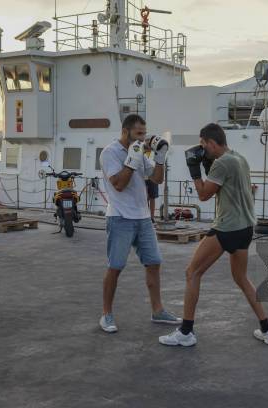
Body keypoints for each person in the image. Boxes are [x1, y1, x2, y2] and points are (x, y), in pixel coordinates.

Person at [159, 123, 268, 346]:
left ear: (212, 143)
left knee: (192, 273)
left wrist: (195, 170)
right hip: (245, 228)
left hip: (227, 227)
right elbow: (225, 187)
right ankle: (267, 329)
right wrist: (207, 165)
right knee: (241, 278)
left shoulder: (221, 163)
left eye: (204, 145)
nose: (202, 149)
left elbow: (203, 195)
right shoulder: (239, 158)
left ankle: (186, 332)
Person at [99, 114, 181, 333]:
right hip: (120, 217)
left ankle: (158, 310)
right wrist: (132, 159)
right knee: (115, 266)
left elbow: (156, 178)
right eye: (139, 134)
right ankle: (106, 314)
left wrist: (160, 158)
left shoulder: (138, 151)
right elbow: (118, 184)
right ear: (126, 132)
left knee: (154, 263)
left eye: (144, 133)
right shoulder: (110, 153)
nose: (143, 138)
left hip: (143, 218)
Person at [144, 149, 159, 223]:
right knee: (145, 197)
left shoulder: (155, 153)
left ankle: (152, 217)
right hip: (143, 177)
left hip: (153, 176)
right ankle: (145, 216)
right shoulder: (140, 151)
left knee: (152, 197)